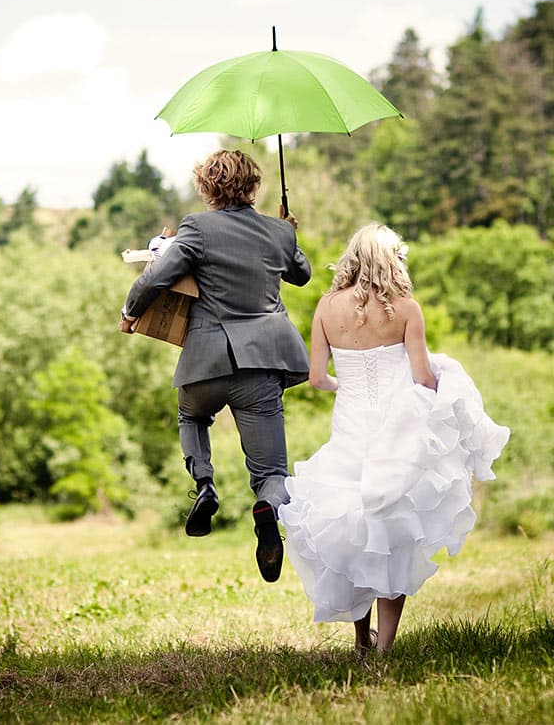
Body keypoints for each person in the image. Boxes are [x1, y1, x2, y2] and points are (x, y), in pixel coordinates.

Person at [278, 223, 509, 651]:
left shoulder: (327, 308)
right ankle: (384, 648)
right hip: (395, 432)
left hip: (349, 430)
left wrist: (341, 384)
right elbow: (422, 379)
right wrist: (451, 389)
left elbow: (315, 379)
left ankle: (359, 640)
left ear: (352, 257)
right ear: (391, 260)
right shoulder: (406, 309)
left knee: (354, 527)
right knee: (393, 534)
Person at [120, 149, 311, 582]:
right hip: (262, 365)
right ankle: (265, 507)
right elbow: (302, 275)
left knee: (191, 415)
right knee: (272, 472)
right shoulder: (278, 232)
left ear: (206, 188)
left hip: (205, 361)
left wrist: (132, 312)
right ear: (254, 186)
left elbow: (156, 277)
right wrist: (289, 233)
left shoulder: (197, 228)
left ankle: (205, 483)